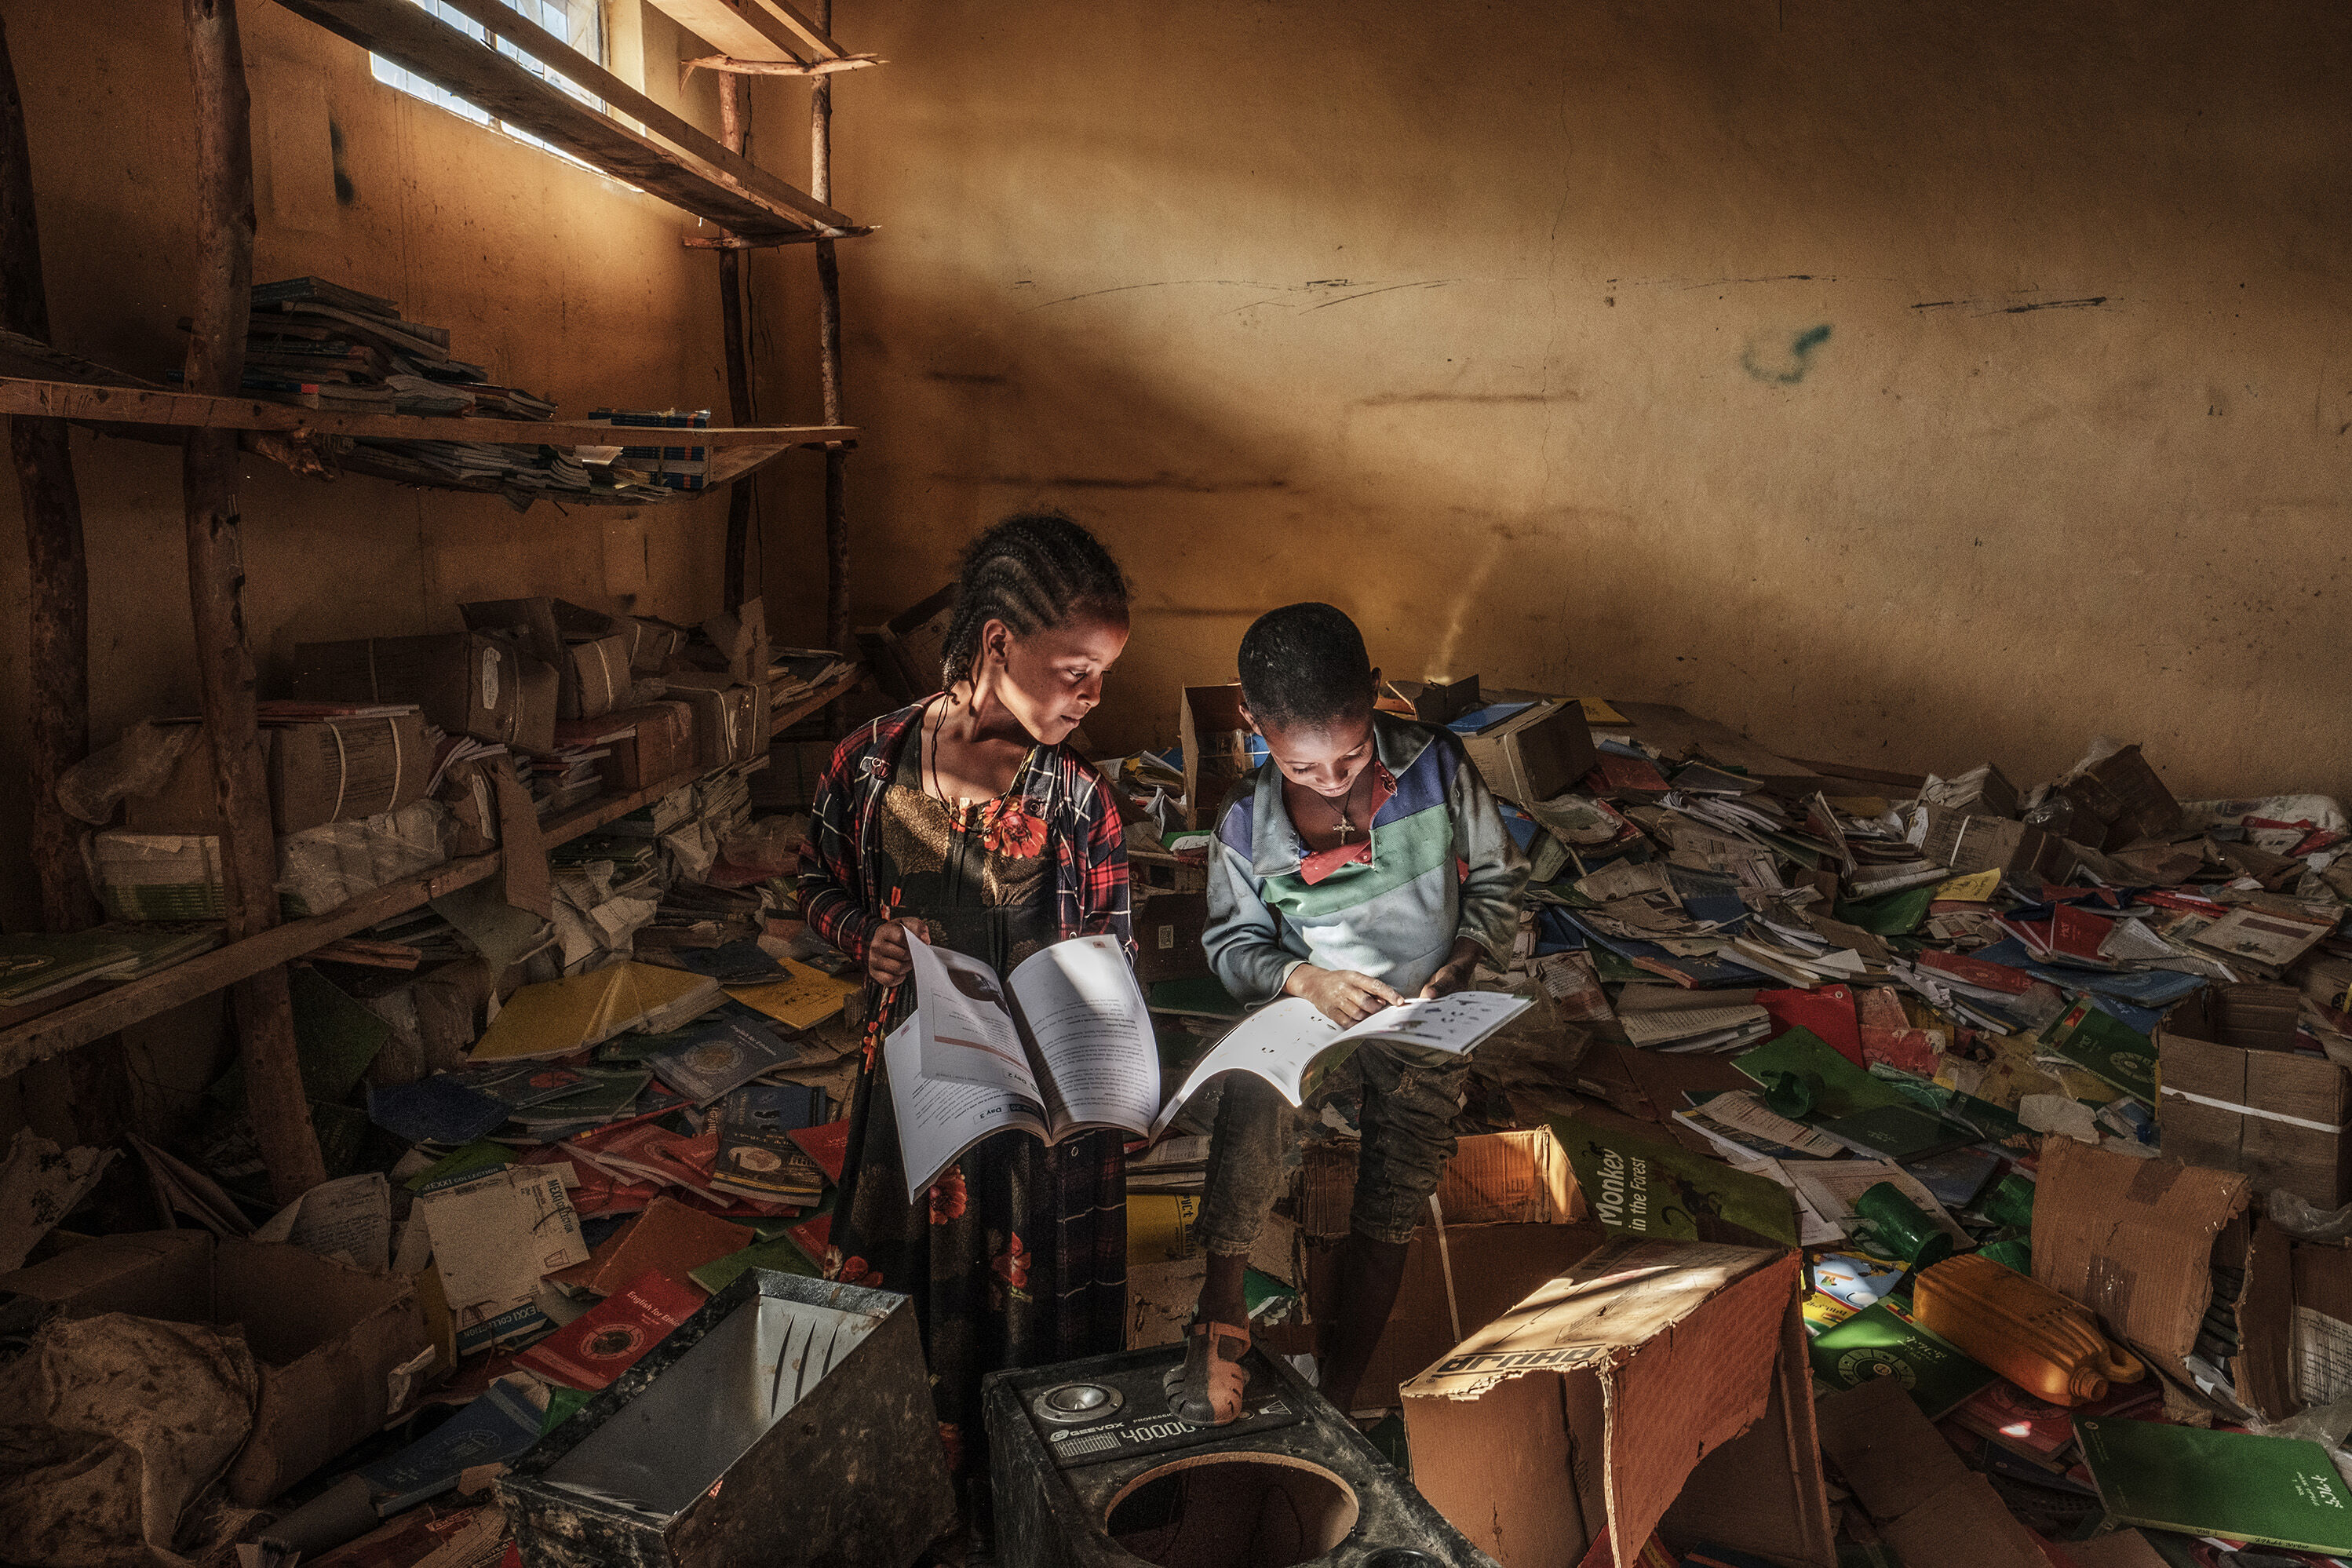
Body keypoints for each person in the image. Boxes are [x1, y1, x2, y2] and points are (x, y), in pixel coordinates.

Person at [797, 512, 1134, 1482]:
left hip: (1039, 1131)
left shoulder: (1079, 803)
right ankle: (910, 1499)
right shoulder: (868, 765)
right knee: (903, 1318)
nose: (1093, 695)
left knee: (1031, 1334)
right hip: (914, 1111)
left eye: (1102, 672)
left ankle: (1018, 1506)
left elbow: (1107, 966)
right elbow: (813, 887)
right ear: (997, 641)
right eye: (1075, 669)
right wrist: (867, 939)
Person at [1170, 603, 1528, 1424]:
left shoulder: (1440, 769)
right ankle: (1219, 1314)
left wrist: (1467, 953)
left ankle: (1339, 1392)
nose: (1334, 782)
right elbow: (1232, 948)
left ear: (1377, 698)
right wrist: (1303, 979)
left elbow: (1503, 883)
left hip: (1423, 1012)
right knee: (1255, 1101)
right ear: (1255, 726)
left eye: (1352, 754)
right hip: (1316, 1009)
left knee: (1399, 1183)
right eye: (1304, 768)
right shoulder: (1243, 823)